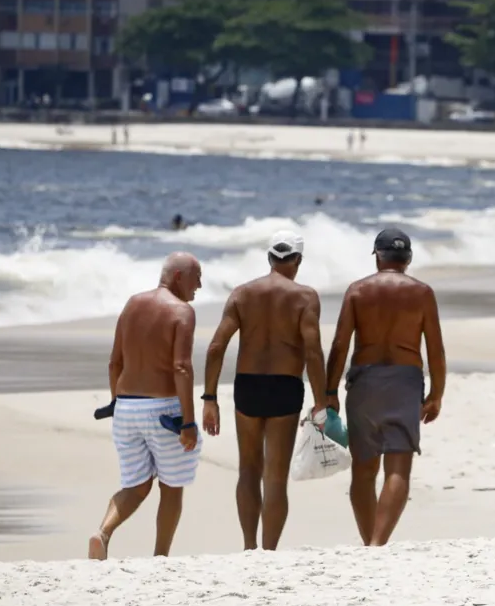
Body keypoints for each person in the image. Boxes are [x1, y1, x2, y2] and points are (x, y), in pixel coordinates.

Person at [201, 230, 328, 551]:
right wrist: (321, 402)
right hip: (285, 387)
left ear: (270, 258)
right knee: (275, 475)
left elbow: (216, 347)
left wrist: (210, 399)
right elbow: (313, 351)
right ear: (297, 259)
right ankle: (268, 551)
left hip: (248, 386)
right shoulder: (305, 297)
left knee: (248, 469)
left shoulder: (243, 294)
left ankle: (248, 546)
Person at [325, 228, 446, 547]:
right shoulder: (422, 293)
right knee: (399, 467)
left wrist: (329, 393)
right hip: (405, 381)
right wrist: (437, 394)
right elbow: (435, 347)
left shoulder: (357, 290)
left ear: (377, 256)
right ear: (408, 258)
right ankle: (379, 544)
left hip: (365, 381)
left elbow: (340, 344)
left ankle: (370, 544)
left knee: (363, 470)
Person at [88, 251, 203, 561]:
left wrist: (115, 403)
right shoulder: (182, 312)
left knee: (136, 486)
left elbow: (115, 362)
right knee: (172, 487)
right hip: (164, 411)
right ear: (179, 277)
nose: (200, 286)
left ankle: (103, 532)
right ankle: (160, 556)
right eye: (197, 278)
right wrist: (189, 423)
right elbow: (181, 367)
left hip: (125, 408)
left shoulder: (132, 304)